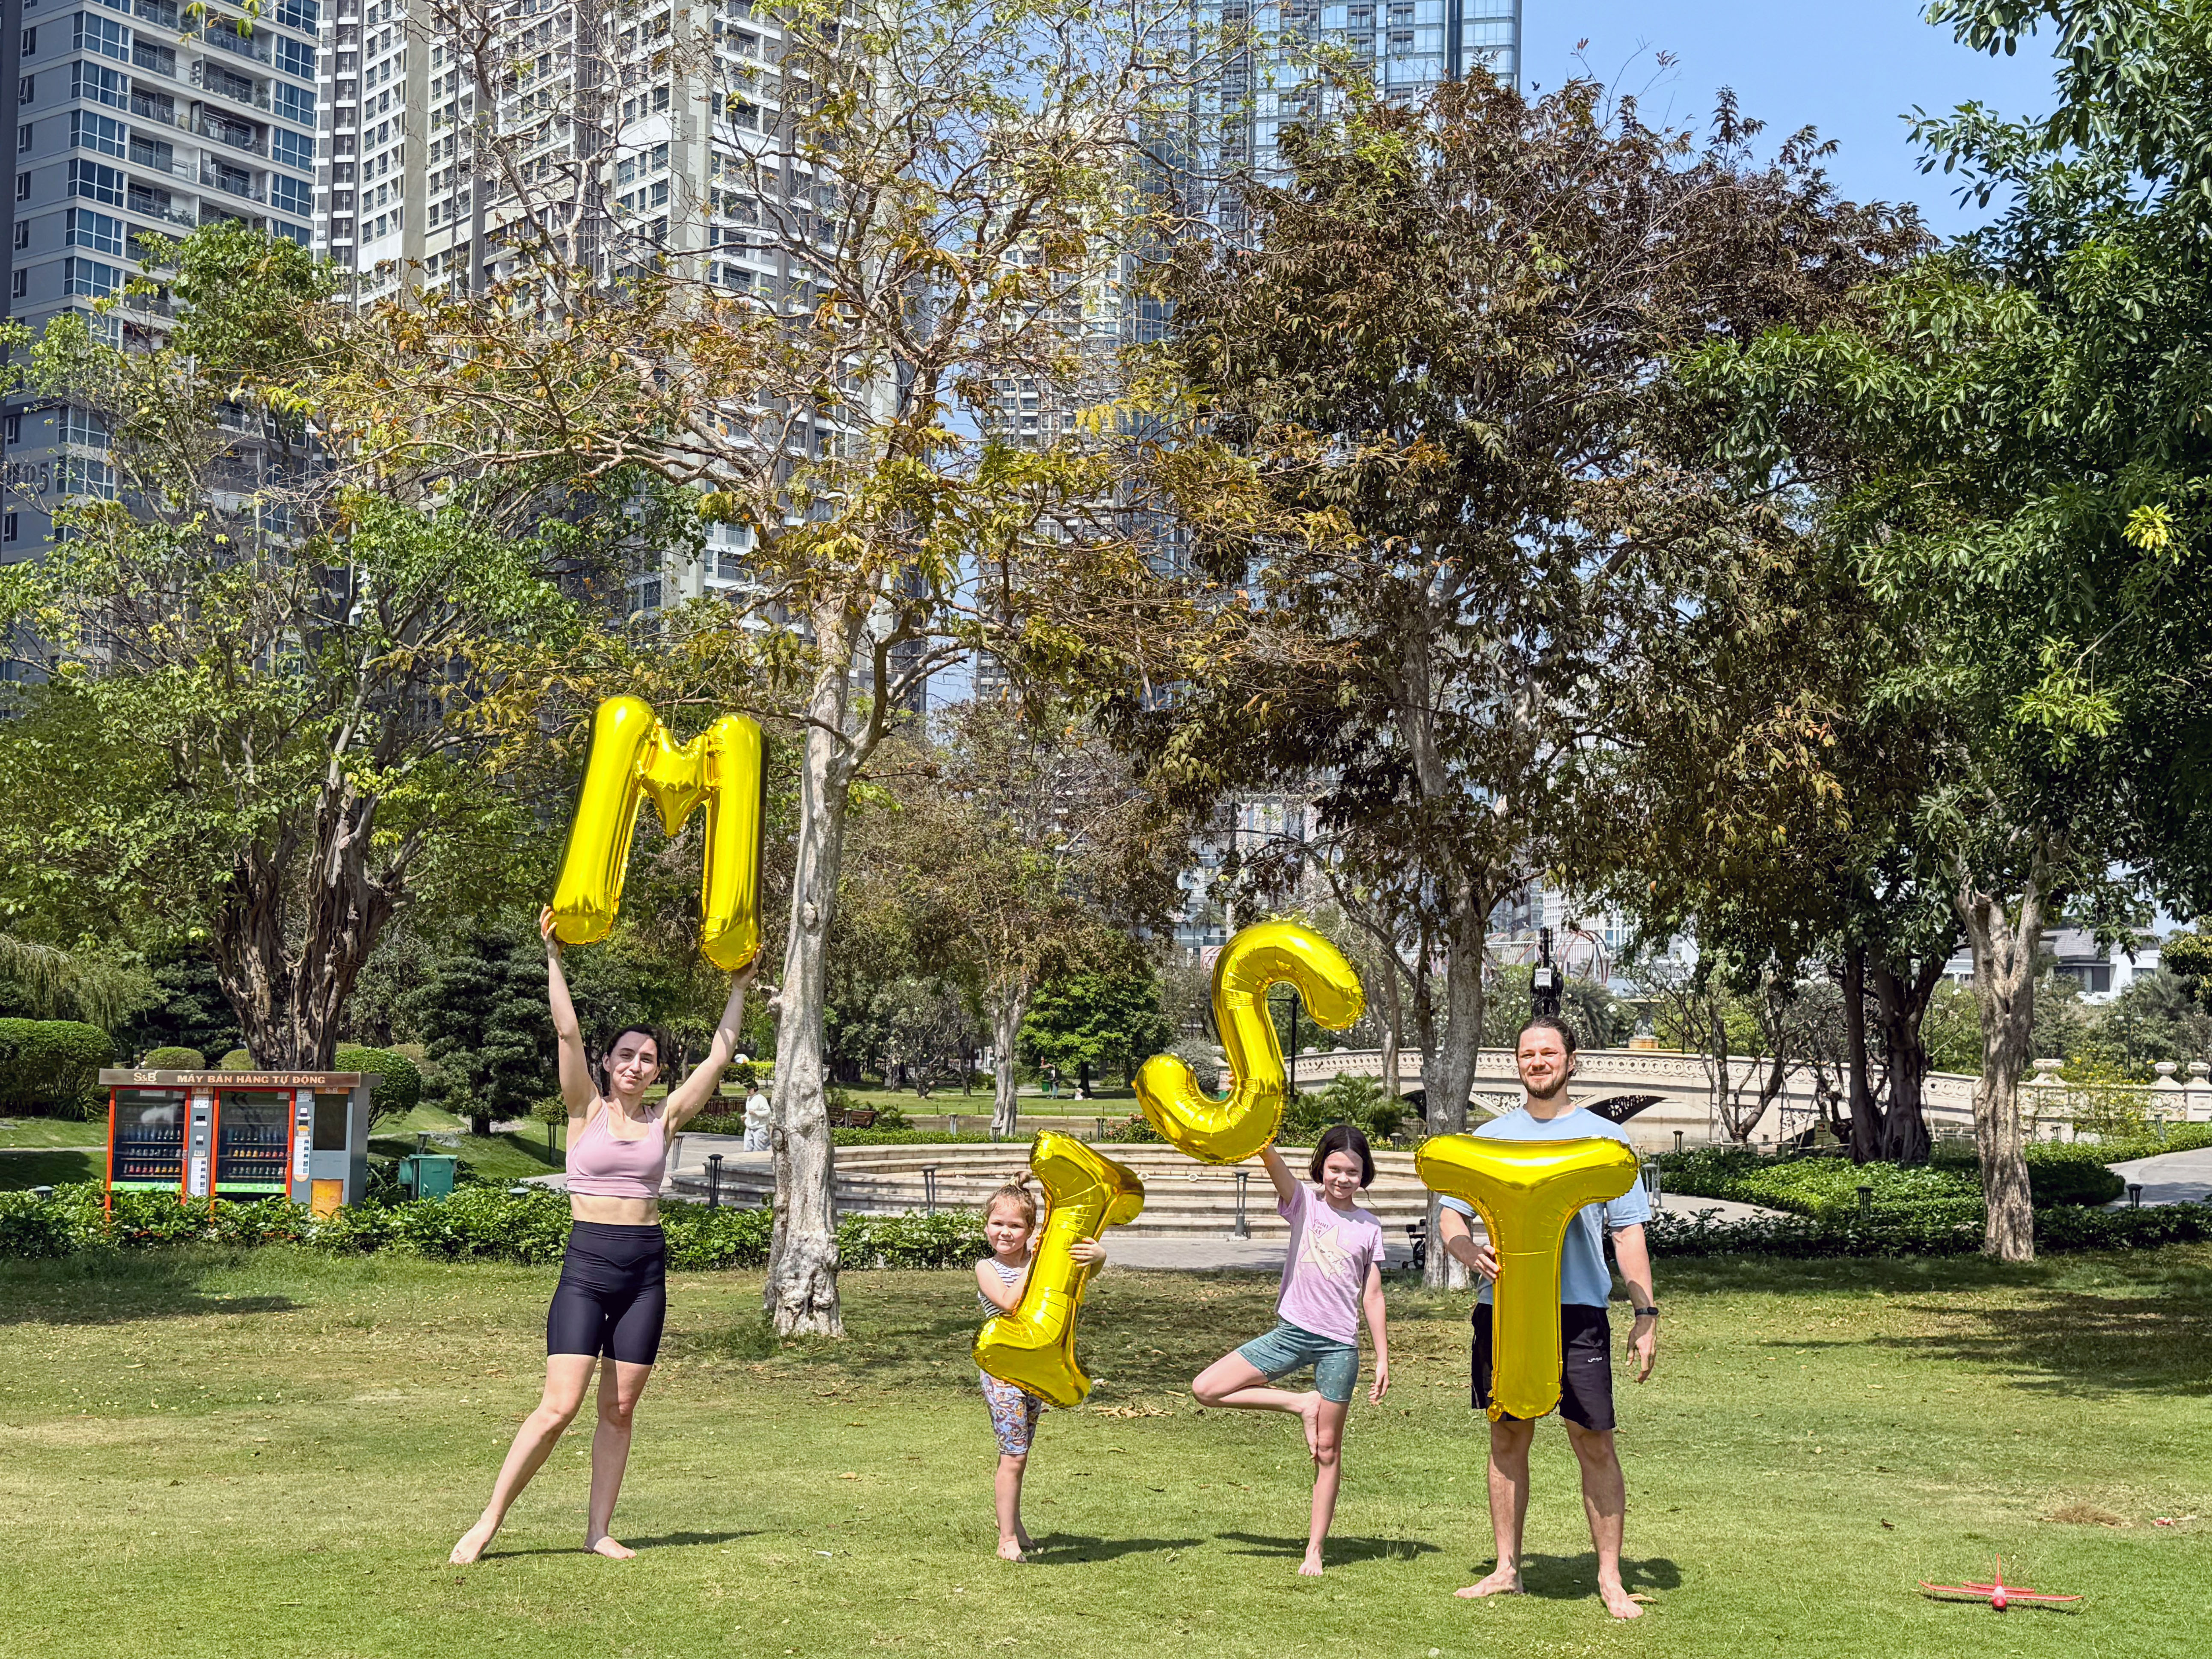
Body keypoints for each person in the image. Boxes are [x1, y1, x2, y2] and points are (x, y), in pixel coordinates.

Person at [449, 907, 757, 1565]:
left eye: (647, 1059)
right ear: (608, 1062)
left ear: (655, 1071)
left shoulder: (665, 1120)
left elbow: (720, 1053)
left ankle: (598, 1530)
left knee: (618, 1409)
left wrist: (738, 988)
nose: (636, 1065)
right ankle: (488, 1522)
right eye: (626, 1055)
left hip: (645, 1269)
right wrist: (553, 954)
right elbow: (566, 1028)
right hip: (587, 1266)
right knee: (559, 1406)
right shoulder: (584, 1108)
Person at [1436, 1014, 1658, 1620]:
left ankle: (1610, 1579)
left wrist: (1646, 1312)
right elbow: (1450, 1215)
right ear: (1517, 1063)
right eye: (1528, 1053)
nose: (1538, 1061)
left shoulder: (1602, 1141)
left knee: (1593, 1440)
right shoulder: (1490, 1138)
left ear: (1571, 1060)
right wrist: (1463, 1251)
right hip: (1503, 1309)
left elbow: (1627, 1230)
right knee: (1507, 1434)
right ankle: (1507, 1570)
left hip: (1580, 1310)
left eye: (1548, 1052)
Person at [1190, 1125, 1390, 1576]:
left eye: (1353, 1171)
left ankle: (1315, 1550)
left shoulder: (1369, 1226)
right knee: (1205, 1388)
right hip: (1291, 1334)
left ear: (1365, 1175)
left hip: (1340, 1346)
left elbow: (1372, 1296)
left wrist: (1382, 1356)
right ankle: (1299, 1403)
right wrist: (1258, 1132)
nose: (1343, 1178)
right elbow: (1273, 1164)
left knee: (1327, 1450)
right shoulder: (1303, 1202)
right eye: (1335, 1169)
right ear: (1321, 1167)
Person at [974, 1176, 1105, 1563]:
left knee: (1021, 1452)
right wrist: (1041, 1261)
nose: (1005, 1232)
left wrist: (1097, 1259)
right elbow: (1010, 1303)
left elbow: (1075, 1279)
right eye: (998, 1223)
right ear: (986, 1226)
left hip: (1036, 1371)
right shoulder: (987, 1268)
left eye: (1015, 1226)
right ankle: (1006, 1539)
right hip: (1003, 1371)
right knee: (1012, 1454)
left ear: (1030, 1230)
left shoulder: (1037, 1261)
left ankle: (1014, 1526)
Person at [742, 1080, 771, 1152]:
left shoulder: (761, 1098)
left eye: (750, 1089)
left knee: (759, 1150)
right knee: (747, 1150)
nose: (748, 1091)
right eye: (747, 1089)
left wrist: (756, 1113)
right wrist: (745, 1116)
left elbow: (768, 1112)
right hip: (749, 1128)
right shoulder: (749, 1098)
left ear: (755, 1089)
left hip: (759, 1128)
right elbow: (749, 1111)